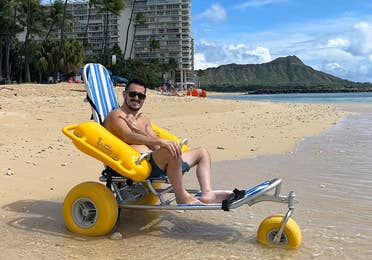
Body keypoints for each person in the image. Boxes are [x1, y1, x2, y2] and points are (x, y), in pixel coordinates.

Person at [103, 79, 229, 204]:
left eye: (140, 96)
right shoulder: (116, 115)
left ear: (144, 98)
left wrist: (139, 130)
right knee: (170, 151)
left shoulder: (143, 119)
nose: (136, 98)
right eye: (132, 94)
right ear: (124, 94)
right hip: (138, 164)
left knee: (202, 153)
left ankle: (207, 193)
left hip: (156, 161)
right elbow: (128, 137)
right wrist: (162, 142)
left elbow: (155, 146)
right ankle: (181, 196)